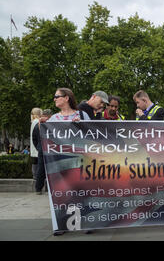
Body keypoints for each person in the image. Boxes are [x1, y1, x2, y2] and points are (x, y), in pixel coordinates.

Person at [48, 88, 91, 236]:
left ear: (66, 98)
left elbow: (93, 134)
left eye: (56, 96)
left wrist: (82, 125)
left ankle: (86, 223)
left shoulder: (82, 115)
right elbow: (48, 140)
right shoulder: (53, 119)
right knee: (63, 193)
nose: (54, 99)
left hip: (80, 161)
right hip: (60, 163)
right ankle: (63, 224)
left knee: (82, 192)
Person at [33, 109, 53, 195]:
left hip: (41, 149)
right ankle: (51, 188)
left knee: (40, 169)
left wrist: (38, 147)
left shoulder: (37, 125)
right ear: (49, 116)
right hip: (51, 148)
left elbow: (34, 139)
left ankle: (38, 188)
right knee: (52, 169)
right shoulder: (51, 124)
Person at [30, 108, 43, 179]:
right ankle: (36, 176)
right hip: (37, 145)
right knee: (37, 162)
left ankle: (35, 175)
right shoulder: (37, 122)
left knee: (35, 161)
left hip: (34, 146)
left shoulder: (33, 121)